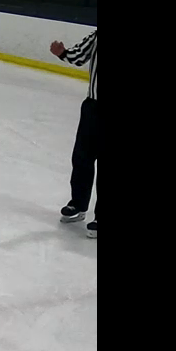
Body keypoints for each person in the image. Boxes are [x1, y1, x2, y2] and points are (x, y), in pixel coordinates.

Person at [51, 29, 99, 238]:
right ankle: (78, 204)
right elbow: (80, 55)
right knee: (82, 157)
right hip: (92, 107)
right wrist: (63, 53)